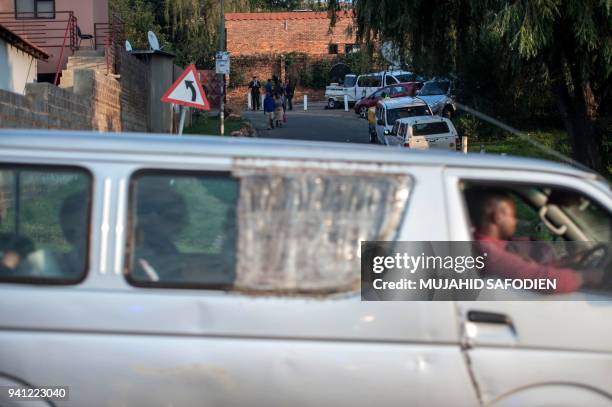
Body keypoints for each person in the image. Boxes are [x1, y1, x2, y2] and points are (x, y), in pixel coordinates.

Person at [466, 190, 603, 294]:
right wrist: (586, 277)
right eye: (513, 215)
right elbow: (541, 279)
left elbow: (526, 269)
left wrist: (567, 262)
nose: (515, 221)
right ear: (497, 217)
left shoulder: (486, 246)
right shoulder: (489, 253)